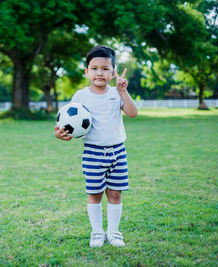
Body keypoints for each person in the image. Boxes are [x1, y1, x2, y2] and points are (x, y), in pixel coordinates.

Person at [54, 46, 138, 247]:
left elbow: (133, 113)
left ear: (113, 72)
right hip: (93, 153)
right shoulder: (81, 96)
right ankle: (97, 232)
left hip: (118, 151)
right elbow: (64, 123)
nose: (100, 72)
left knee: (115, 193)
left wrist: (123, 91)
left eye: (105, 68)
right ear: (87, 71)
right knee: (95, 194)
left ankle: (114, 232)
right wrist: (59, 134)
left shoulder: (117, 93)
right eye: (94, 68)